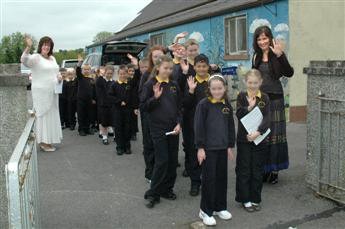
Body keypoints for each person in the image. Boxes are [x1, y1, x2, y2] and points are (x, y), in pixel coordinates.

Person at [252, 25, 294, 184]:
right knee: (263, 135)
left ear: (270, 38)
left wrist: (281, 55)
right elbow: (254, 77)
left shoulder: (277, 54)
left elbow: (289, 73)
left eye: (265, 38)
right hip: (260, 99)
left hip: (276, 100)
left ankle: (275, 170)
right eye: (259, 39)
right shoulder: (255, 56)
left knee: (276, 135)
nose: (262, 41)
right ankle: (265, 168)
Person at [194, 74, 235, 226]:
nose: (217, 91)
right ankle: (205, 210)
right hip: (208, 149)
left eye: (220, 88)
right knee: (209, 180)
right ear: (209, 89)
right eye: (214, 89)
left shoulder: (226, 105)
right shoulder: (203, 105)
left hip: (222, 148)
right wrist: (200, 148)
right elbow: (199, 127)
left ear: (224, 88)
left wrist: (230, 145)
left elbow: (230, 126)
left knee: (221, 179)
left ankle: (219, 207)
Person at [141, 55, 182, 209]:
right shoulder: (149, 85)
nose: (168, 71)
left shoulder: (173, 85)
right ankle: (154, 193)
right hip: (157, 128)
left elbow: (179, 107)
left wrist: (179, 123)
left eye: (171, 68)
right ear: (158, 67)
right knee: (162, 160)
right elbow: (144, 107)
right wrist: (155, 98)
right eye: (166, 68)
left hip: (173, 128)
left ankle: (167, 189)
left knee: (172, 160)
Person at [235, 69, 270, 212]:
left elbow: (267, 118)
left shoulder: (265, 98)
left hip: (259, 139)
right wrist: (248, 107)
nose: (253, 85)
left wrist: (258, 132)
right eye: (250, 82)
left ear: (260, 82)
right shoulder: (241, 96)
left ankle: (255, 198)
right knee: (244, 169)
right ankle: (245, 199)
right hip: (244, 139)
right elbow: (238, 114)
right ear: (245, 82)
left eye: (256, 83)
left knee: (257, 169)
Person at [21, 35, 63, 152]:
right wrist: (28, 47)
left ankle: (48, 141)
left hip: (53, 92)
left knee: (52, 116)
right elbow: (24, 60)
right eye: (44, 44)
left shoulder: (53, 59)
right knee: (43, 116)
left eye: (48, 45)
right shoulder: (36, 57)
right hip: (41, 93)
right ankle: (43, 143)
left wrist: (59, 77)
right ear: (41, 46)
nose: (46, 47)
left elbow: (56, 72)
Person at [182, 54, 210, 196]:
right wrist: (191, 91)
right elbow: (185, 104)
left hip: (209, 124)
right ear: (195, 67)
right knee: (193, 154)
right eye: (198, 66)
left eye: (204, 66)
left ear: (208, 67)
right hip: (191, 124)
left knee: (208, 154)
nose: (201, 69)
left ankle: (208, 181)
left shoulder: (213, 81)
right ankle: (195, 182)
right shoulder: (190, 81)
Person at [138, 45, 167, 183]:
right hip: (149, 116)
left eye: (161, 56)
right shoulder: (146, 75)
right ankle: (150, 173)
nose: (158, 59)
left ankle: (162, 171)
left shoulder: (168, 73)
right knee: (149, 145)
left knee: (162, 146)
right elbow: (141, 98)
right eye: (155, 56)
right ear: (151, 59)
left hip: (164, 117)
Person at [108, 65, 137, 155]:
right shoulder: (114, 85)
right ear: (118, 74)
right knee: (119, 129)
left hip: (128, 111)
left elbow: (133, 96)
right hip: (117, 111)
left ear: (127, 74)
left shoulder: (129, 84)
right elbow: (110, 96)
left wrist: (135, 107)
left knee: (127, 129)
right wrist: (119, 102)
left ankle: (127, 147)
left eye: (124, 74)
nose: (123, 75)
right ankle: (119, 147)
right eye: (121, 74)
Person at [95, 65, 114, 145]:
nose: (109, 75)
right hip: (103, 105)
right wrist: (101, 74)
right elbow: (99, 80)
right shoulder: (100, 81)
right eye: (107, 73)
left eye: (111, 73)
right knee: (104, 122)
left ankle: (115, 136)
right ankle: (104, 137)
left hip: (112, 105)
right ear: (105, 73)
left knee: (113, 122)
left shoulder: (113, 82)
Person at [76, 56, 94, 136]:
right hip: (81, 99)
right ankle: (81, 129)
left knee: (89, 114)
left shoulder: (91, 79)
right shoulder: (80, 77)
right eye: (85, 69)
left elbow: (93, 90)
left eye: (88, 69)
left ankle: (87, 128)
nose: (86, 71)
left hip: (89, 100)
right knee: (81, 114)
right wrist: (79, 63)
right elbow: (77, 71)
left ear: (90, 70)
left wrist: (93, 98)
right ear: (82, 70)